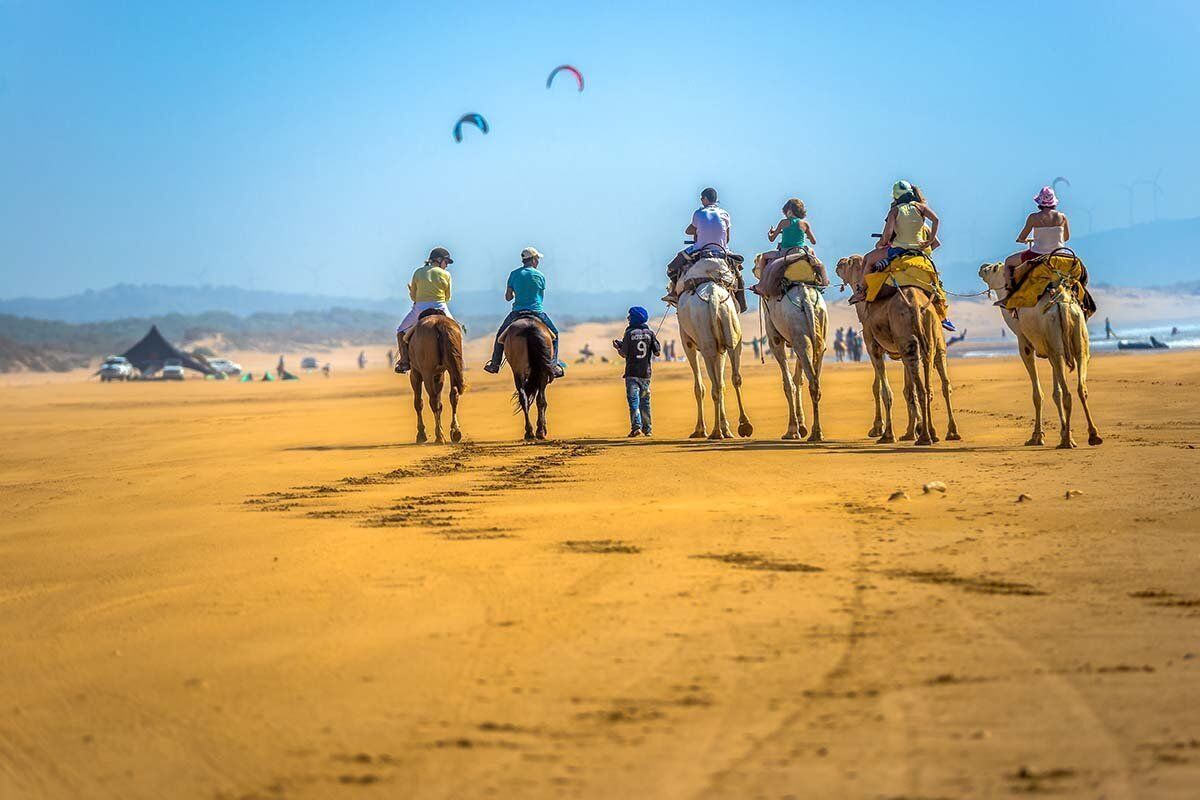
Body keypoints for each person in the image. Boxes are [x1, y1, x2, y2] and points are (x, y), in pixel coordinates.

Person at [483, 247, 566, 377]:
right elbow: (540, 296)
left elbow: (508, 297)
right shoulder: (540, 275)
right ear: (533, 260)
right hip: (537, 312)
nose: (538, 261)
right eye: (537, 259)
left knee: (500, 336)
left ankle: (495, 364)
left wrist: (517, 292)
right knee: (555, 334)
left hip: (517, 312)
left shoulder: (514, 274)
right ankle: (554, 365)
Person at [663, 188, 746, 311]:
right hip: (722, 250)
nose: (701, 200)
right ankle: (741, 301)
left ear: (706, 198)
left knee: (672, 268)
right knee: (737, 272)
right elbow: (727, 238)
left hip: (700, 248)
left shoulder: (698, 213)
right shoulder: (725, 214)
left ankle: (674, 294)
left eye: (702, 198)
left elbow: (688, 230)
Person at [751, 199, 828, 298]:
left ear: (789, 210)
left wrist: (770, 233)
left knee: (764, 256)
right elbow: (813, 241)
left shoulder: (783, 223)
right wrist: (806, 235)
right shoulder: (805, 224)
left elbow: (771, 239)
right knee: (811, 251)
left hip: (785, 253)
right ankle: (818, 279)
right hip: (801, 252)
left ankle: (761, 285)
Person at [395, 247, 455, 374]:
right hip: (441, 306)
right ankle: (457, 358)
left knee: (400, 331)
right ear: (439, 260)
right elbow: (448, 297)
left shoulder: (418, 272)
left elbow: (413, 297)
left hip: (420, 308)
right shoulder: (447, 275)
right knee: (455, 331)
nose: (446, 265)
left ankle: (404, 361)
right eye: (446, 262)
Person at [1002, 186, 1071, 293]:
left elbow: (1022, 237)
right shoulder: (1062, 217)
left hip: (1038, 255)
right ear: (1054, 202)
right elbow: (1066, 238)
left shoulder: (1033, 217)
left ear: (1039, 202)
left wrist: (1023, 240)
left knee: (1008, 262)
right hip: (1059, 255)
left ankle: (1010, 292)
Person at [612, 306, 661, 437]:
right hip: (646, 374)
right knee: (645, 401)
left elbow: (624, 354)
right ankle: (648, 429)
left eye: (630, 316)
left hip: (632, 374)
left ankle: (636, 427)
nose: (628, 318)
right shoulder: (650, 333)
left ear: (634, 318)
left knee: (634, 401)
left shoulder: (629, 333)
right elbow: (657, 352)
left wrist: (618, 347)